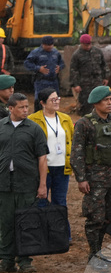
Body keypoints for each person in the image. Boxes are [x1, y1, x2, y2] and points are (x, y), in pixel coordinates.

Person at [71, 86, 111, 272]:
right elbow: (77, 153)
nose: (110, 103)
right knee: (95, 217)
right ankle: (93, 254)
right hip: (94, 179)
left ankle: (99, 252)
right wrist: (81, 178)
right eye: (105, 100)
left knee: (107, 217)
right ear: (96, 103)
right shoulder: (84, 124)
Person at [0, 93, 48, 273]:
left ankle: (25, 260)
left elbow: (42, 158)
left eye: (27, 107)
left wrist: (42, 185)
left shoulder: (34, 129)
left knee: (27, 222)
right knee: (5, 223)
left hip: (27, 183)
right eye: (21, 107)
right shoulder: (1, 127)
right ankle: (6, 260)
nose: (26, 110)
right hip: (4, 184)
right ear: (10, 109)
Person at [28, 90, 75, 239]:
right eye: (52, 100)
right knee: (41, 200)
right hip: (42, 169)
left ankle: (61, 235)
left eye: (57, 99)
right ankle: (42, 235)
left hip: (62, 167)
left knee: (60, 202)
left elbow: (72, 140)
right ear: (42, 103)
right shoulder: (32, 120)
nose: (56, 102)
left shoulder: (65, 119)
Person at [70, 33, 109, 117]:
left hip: (97, 81)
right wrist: (75, 85)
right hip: (84, 83)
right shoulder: (77, 55)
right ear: (81, 44)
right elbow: (73, 70)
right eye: (85, 45)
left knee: (99, 100)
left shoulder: (97, 51)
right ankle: (86, 119)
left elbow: (104, 65)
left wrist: (105, 77)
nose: (88, 46)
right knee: (86, 103)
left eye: (89, 44)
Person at [24, 36, 64, 112]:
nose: (50, 47)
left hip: (53, 81)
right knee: (40, 100)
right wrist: (38, 68)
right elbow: (27, 63)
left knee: (54, 100)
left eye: (51, 45)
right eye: (48, 45)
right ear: (43, 44)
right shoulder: (36, 52)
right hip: (41, 81)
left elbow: (61, 63)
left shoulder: (56, 52)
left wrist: (60, 67)